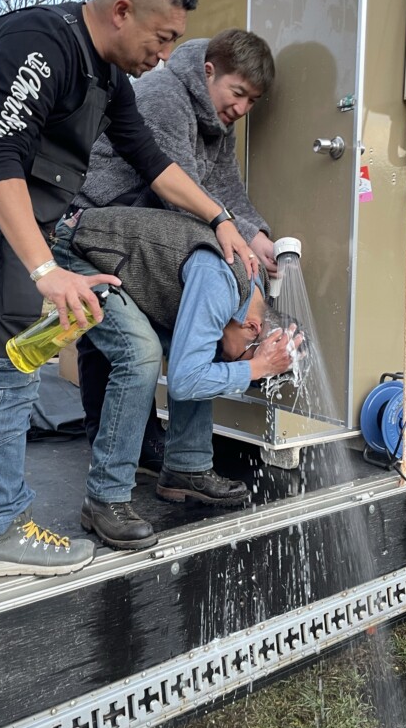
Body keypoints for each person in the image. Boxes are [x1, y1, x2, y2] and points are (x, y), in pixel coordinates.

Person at [0, 0, 259, 578]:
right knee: (12, 365)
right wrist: (48, 271)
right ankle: (2, 529)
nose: (165, 56)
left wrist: (220, 218)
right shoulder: (42, 45)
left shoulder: (108, 77)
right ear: (123, 11)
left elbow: (152, 161)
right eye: (163, 38)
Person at [72, 28, 278, 450]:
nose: (242, 108)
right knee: (119, 342)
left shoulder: (219, 121)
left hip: (151, 229)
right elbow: (181, 194)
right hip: (101, 225)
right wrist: (236, 238)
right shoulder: (163, 97)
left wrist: (257, 236)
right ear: (209, 72)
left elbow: (224, 188)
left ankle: (169, 454)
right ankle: (115, 443)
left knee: (154, 338)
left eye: (253, 101)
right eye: (238, 93)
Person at [57, 205, 301, 551]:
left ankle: (186, 467)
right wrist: (255, 368)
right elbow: (186, 381)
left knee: (202, 348)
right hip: (83, 252)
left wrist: (254, 365)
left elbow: (206, 360)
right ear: (252, 328)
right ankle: (104, 497)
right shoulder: (221, 287)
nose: (239, 364)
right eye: (248, 354)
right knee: (141, 354)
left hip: (130, 269)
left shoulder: (249, 292)